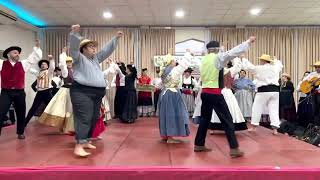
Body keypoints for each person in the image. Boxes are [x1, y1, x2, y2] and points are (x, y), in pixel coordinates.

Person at [194, 36, 256, 158]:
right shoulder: (218, 58)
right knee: (227, 120)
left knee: (204, 120)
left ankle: (199, 144)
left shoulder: (203, 60)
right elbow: (234, 52)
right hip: (215, 93)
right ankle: (234, 148)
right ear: (217, 49)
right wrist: (248, 42)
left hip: (205, 93)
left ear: (208, 50)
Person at [69, 24, 123, 157]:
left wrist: (115, 38)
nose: (94, 49)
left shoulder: (95, 59)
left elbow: (106, 50)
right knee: (84, 117)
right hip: (82, 91)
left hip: (96, 93)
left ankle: (86, 140)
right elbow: (74, 49)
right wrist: (74, 34)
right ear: (84, 49)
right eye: (91, 46)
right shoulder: (79, 59)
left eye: (94, 47)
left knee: (94, 117)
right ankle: (79, 145)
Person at [0, 40, 42, 139]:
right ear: (8, 54)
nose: (17, 53)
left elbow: (34, 58)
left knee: (21, 112)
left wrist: (36, 47)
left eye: (18, 52)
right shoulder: (2, 63)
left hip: (19, 92)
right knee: (1, 112)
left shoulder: (23, 64)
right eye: (15, 52)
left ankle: (20, 132)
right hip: (6, 92)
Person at [241, 54, 283, 135]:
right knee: (274, 109)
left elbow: (250, 67)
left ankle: (254, 127)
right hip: (275, 91)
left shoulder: (261, 68)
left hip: (264, 90)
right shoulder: (275, 67)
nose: (260, 61)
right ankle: (275, 129)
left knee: (257, 107)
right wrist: (276, 60)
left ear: (263, 60)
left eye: (261, 60)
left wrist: (244, 59)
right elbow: (279, 65)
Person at [158, 54, 191, 143]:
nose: (175, 61)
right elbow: (185, 64)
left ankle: (166, 134)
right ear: (171, 62)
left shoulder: (164, 71)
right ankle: (170, 137)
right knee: (174, 115)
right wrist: (188, 53)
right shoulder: (175, 70)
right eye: (173, 60)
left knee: (166, 115)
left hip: (165, 94)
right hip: (172, 94)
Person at [209, 58, 247, 133]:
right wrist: (236, 58)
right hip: (220, 91)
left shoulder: (229, 71)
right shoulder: (216, 71)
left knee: (229, 108)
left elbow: (238, 66)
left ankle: (222, 127)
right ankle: (214, 127)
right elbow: (238, 66)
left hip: (225, 91)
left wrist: (235, 58)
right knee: (220, 108)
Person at [24, 55, 55, 126]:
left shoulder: (49, 72)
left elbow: (52, 67)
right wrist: (29, 62)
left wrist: (51, 60)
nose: (43, 65)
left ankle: (60, 124)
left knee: (53, 108)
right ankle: (25, 123)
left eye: (45, 64)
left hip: (47, 92)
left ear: (47, 66)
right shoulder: (38, 73)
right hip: (40, 93)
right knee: (33, 108)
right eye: (42, 64)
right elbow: (31, 70)